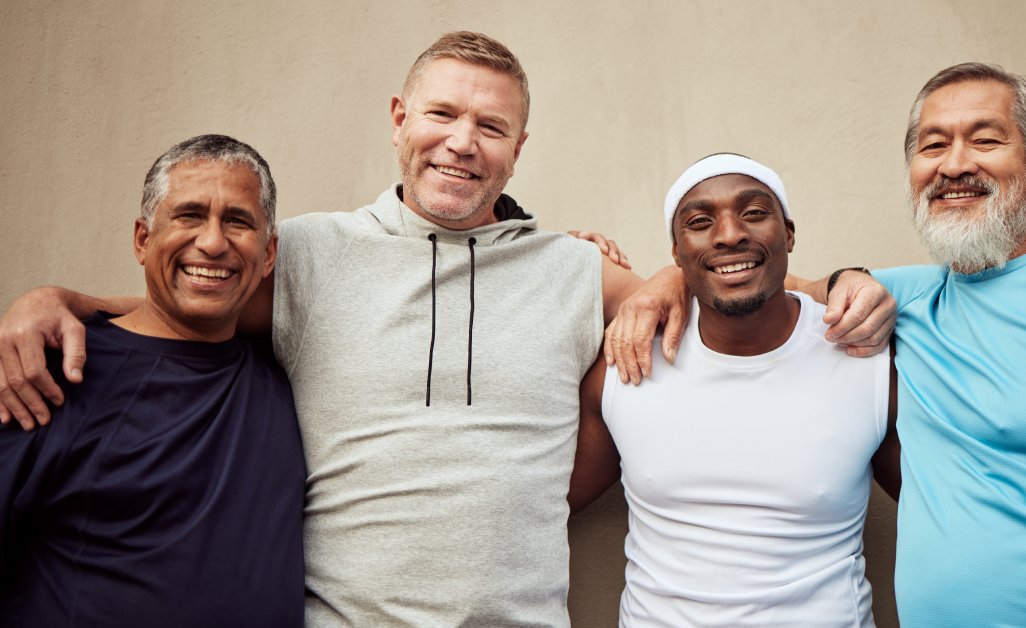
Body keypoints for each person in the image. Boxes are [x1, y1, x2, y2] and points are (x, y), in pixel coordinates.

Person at [0, 33, 891, 625]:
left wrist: (838, 282)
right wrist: (56, 300)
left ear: (518, 147)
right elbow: (189, 296)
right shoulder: (304, 254)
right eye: (442, 115)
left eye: (491, 126)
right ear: (400, 121)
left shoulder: (572, 270)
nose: (462, 143)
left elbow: (728, 275)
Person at [608, 63, 1026, 627]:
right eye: (933, 146)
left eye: (985, 141)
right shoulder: (903, 298)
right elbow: (755, 277)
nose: (954, 165)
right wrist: (662, 283)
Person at [568, 153, 899, 627]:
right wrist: (562, 264)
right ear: (677, 256)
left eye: (754, 213)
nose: (729, 234)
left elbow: (947, 510)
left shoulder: (864, 356)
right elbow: (538, 501)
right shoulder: (628, 363)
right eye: (700, 222)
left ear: (788, 232)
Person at [0, 134, 305, 626]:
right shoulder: (51, 372)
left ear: (268, 255)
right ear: (143, 240)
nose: (212, 241)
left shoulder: (287, 370)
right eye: (189, 215)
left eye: (237, 220)